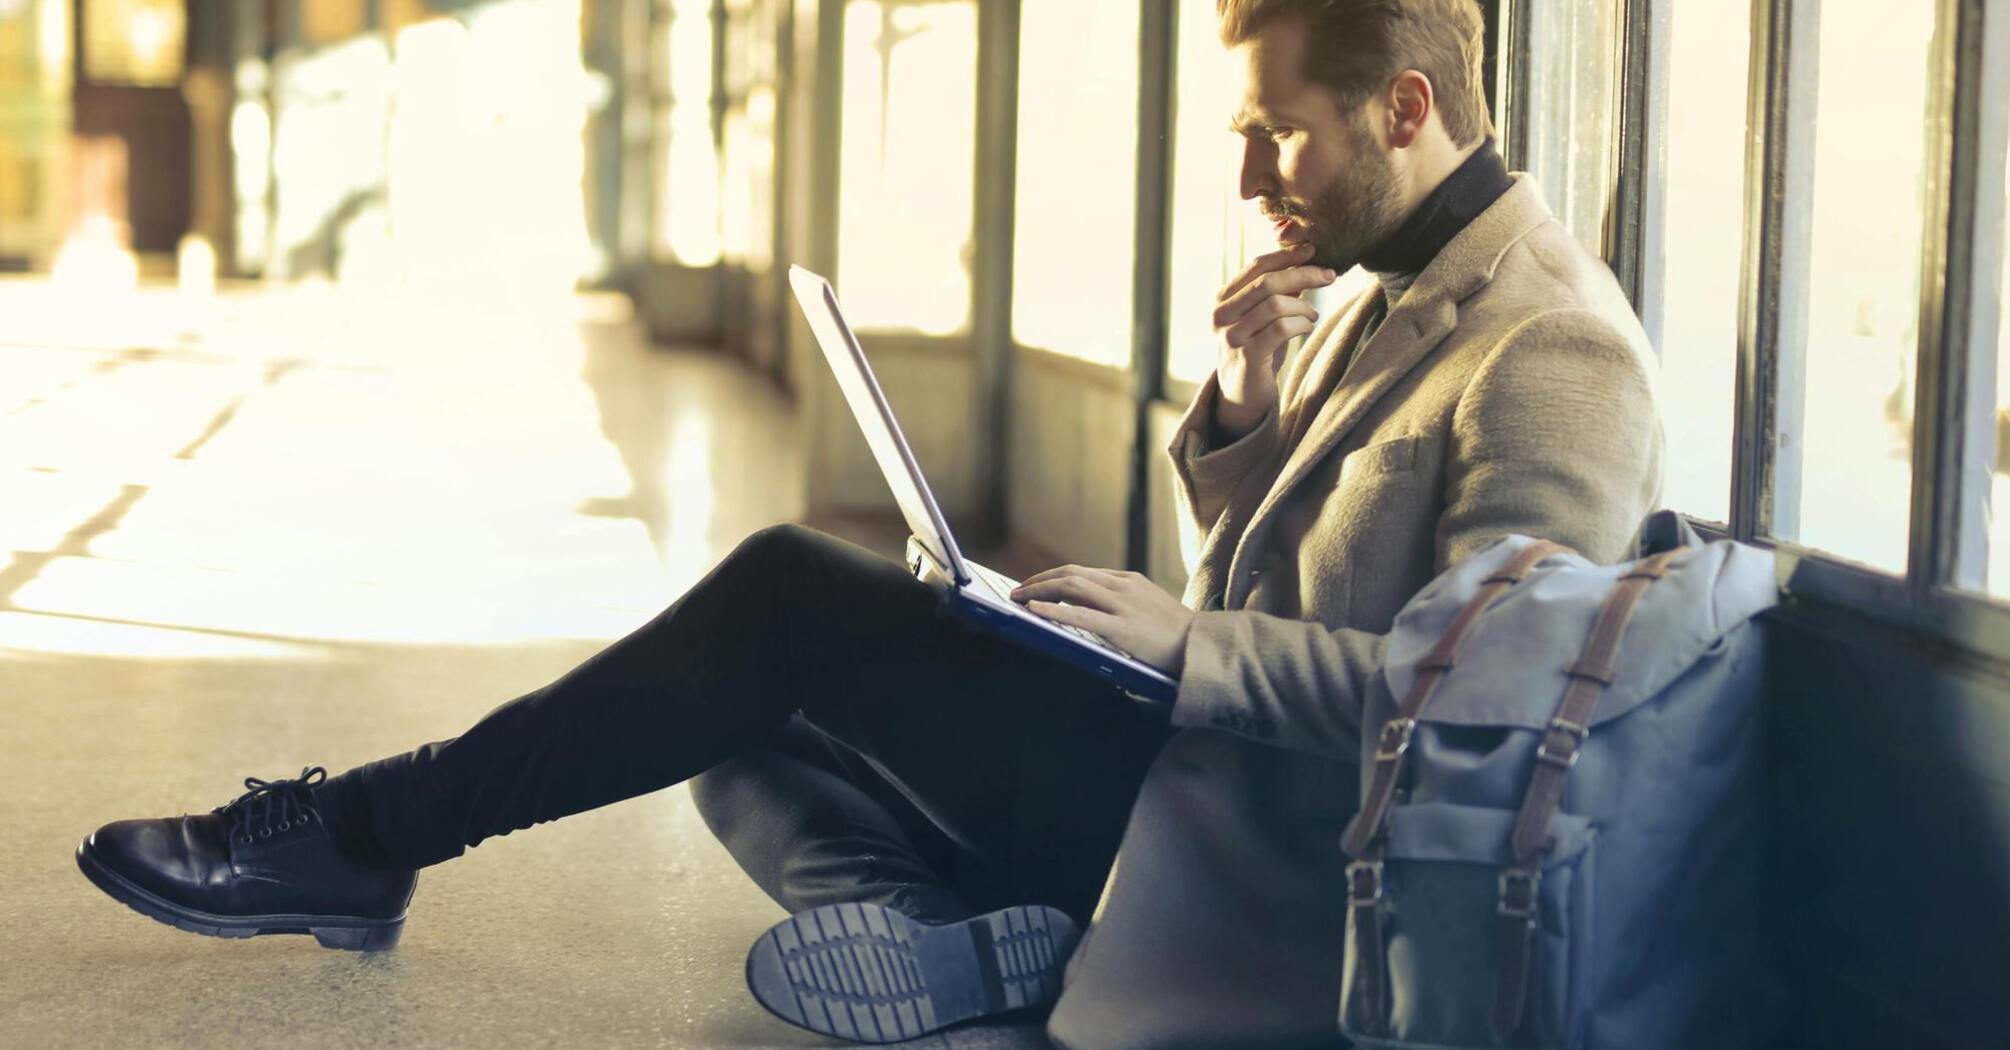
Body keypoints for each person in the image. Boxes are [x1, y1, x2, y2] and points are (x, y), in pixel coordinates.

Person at [75, 0, 1662, 1046]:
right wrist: (1243, 411)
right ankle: (978, 941)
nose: (1253, 176)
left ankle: (365, 833)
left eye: (1279, 131)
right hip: (1179, 770)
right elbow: (1277, 575)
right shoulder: (1381, 292)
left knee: (777, 599)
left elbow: (1480, 718)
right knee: (721, 730)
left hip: (1269, 851)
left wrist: (1182, 644)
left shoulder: (1551, 350)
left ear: (1402, 106)